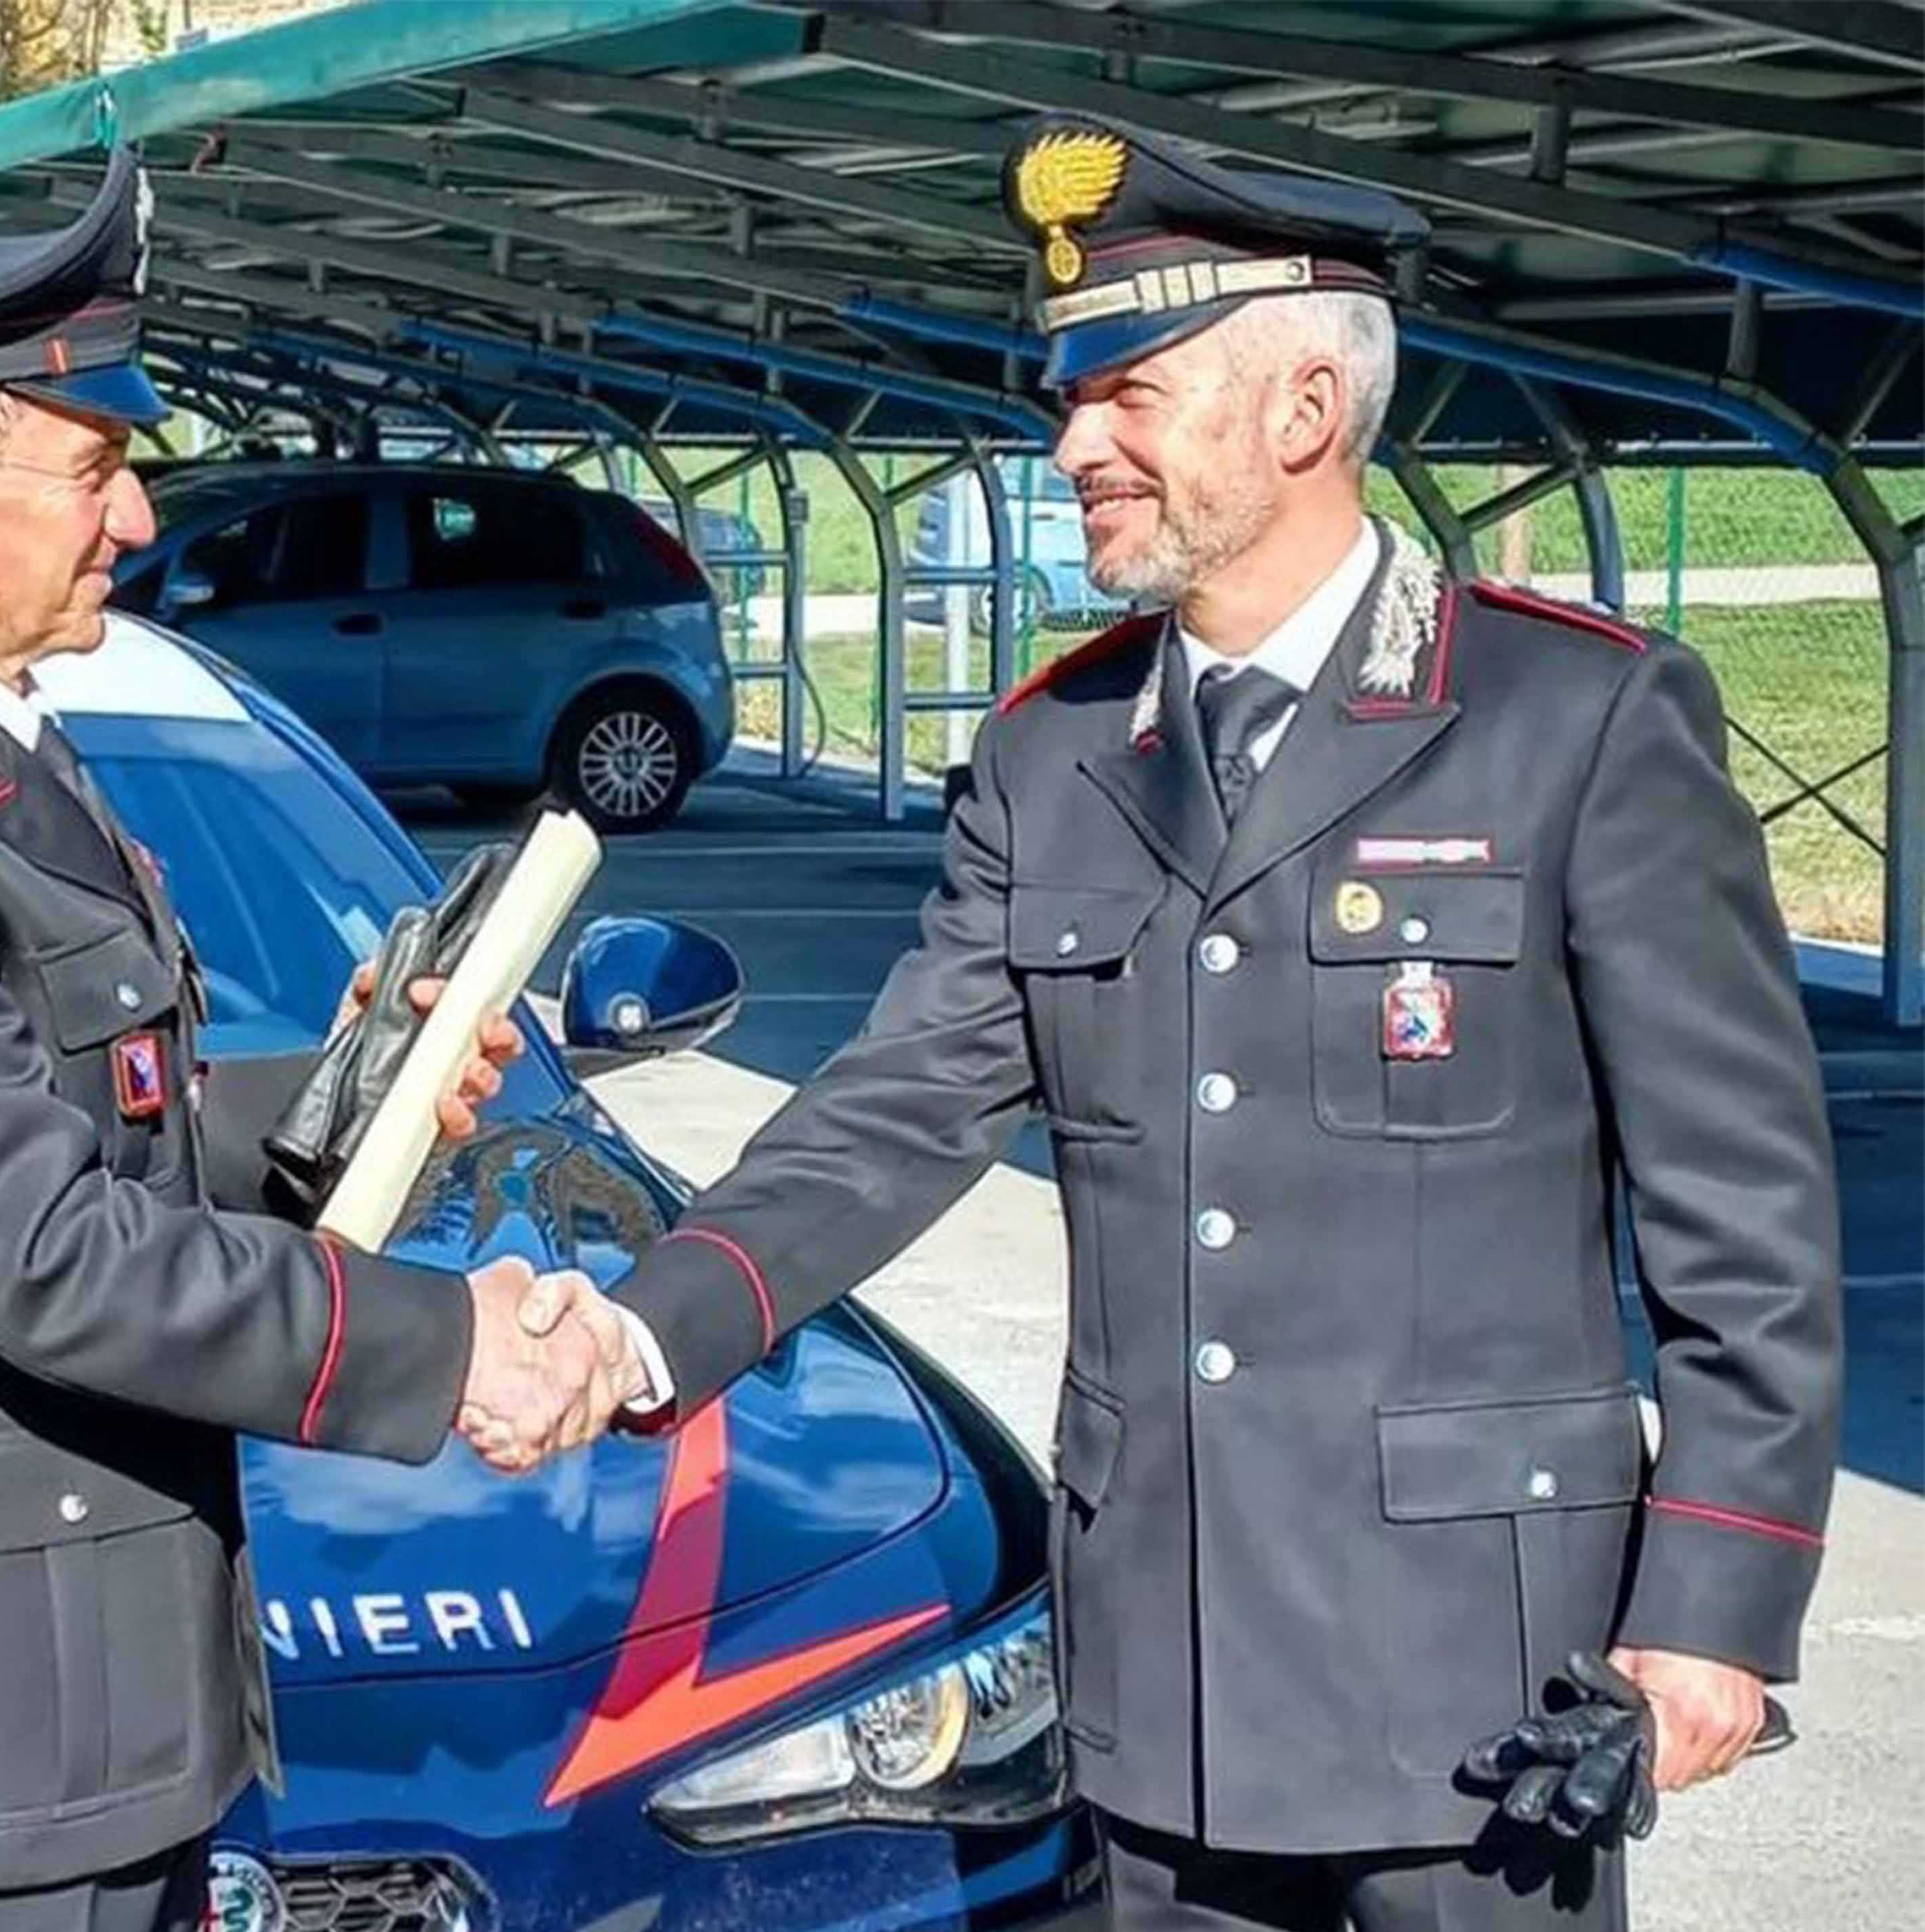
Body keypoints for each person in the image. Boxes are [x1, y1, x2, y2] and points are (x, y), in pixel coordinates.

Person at [568, 118, 1844, 1930]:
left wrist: (1711, 1604)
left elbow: (1746, 1212)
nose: (1071, 446)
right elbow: (898, 1106)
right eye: (1067, 397)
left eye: (1126, 393)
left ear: (1303, 411)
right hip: (1161, 1674)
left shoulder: (1572, 720)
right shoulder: (1055, 752)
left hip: (1480, 1692)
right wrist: (640, 1331)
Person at [0, 148, 633, 1932]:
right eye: (96, 466)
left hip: (92, 1713)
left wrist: (347, 1094)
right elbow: (41, 1253)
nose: (138, 517)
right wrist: (449, 1347)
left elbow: (104, 1120)